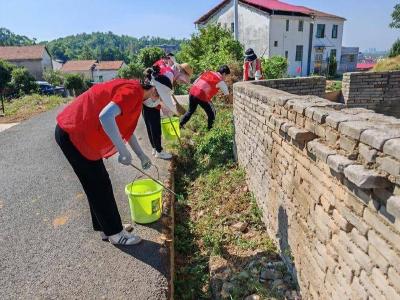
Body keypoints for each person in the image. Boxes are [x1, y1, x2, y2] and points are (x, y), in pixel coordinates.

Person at [55, 74, 175, 246]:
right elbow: (105, 116)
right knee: (98, 184)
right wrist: (122, 150)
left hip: (79, 134)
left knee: (97, 183)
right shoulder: (133, 91)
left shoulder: (136, 94)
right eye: (159, 98)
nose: (157, 103)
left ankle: (106, 228)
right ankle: (116, 234)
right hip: (74, 134)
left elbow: (125, 128)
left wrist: (140, 154)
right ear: (154, 90)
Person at [142, 63, 193, 159]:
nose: (180, 82)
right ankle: (159, 151)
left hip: (146, 101)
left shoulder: (164, 73)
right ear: (181, 72)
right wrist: (172, 111)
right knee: (155, 128)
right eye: (183, 78)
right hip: (151, 103)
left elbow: (163, 94)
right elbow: (165, 98)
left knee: (150, 126)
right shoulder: (168, 76)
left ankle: (155, 148)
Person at [180, 65, 231, 130]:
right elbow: (227, 94)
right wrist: (233, 103)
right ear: (224, 74)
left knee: (190, 110)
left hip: (193, 91)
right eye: (226, 76)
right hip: (201, 95)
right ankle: (210, 131)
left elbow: (196, 81)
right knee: (212, 113)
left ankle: (180, 124)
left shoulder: (208, 72)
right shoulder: (220, 80)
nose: (226, 78)